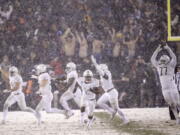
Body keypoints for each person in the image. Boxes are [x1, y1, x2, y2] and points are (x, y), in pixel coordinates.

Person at [91, 56, 129, 124]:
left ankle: (125, 119)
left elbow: (102, 74)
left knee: (116, 108)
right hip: (107, 93)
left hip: (112, 93)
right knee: (99, 102)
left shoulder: (107, 73)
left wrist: (95, 63)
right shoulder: (103, 74)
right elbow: (100, 77)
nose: (98, 71)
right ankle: (111, 111)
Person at [151, 44, 180, 124]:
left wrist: (166, 48)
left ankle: (178, 117)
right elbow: (152, 59)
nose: (162, 60)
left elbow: (174, 57)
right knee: (172, 105)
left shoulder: (170, 65)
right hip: (165, 89)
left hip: (172, 87)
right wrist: (159, 49)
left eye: (163, 59)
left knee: (178, 103)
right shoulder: (158, 66)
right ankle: (177, 118)